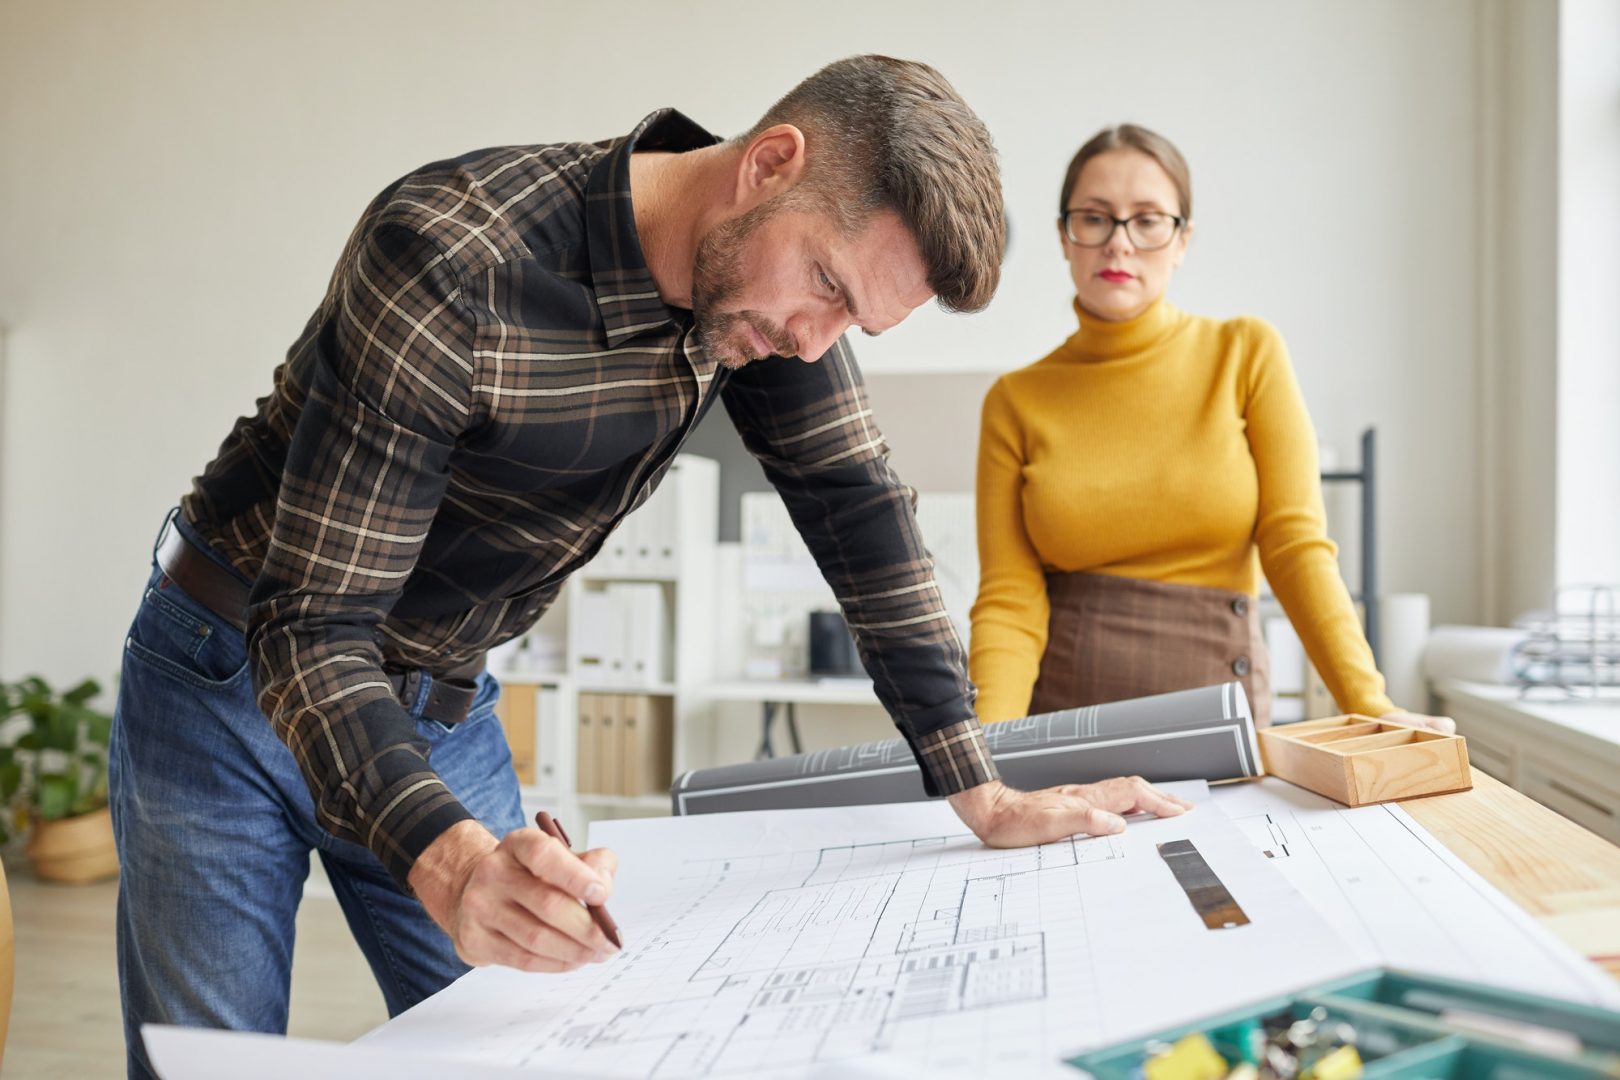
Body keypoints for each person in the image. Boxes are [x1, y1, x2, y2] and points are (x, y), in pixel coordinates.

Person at [110, 58, 1192, 1079]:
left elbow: (861, 517)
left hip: (436, 695)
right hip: (229, 674)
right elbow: (312, 628)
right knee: (210, 1061)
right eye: (824, 286)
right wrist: (446, 859)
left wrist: (980, 787)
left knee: (532, 1044)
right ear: (770, 163)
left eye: (852, 319)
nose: (818, 343)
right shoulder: (451, 255)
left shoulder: (775, 305)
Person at [968, 123, 1455, 733]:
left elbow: (1295, 545)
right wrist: (987, 750)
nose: (1119, 244)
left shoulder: (1245, 352)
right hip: (1066, 725)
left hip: (1218, 722)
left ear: (1182, 240)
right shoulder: (1015, 400)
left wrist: (1370, 705)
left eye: (1148, 220)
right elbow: (1009, 602)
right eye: (1094, 218)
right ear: (1065, 237)